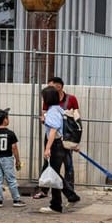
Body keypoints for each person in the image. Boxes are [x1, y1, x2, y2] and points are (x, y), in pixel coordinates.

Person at [38, 85, 79, 214]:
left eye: (43, 98)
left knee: (53, 175)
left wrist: (47, 148)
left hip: (55, 145)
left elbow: (54, 130)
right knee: (53, 173)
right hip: (59, 144)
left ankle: (57, 204)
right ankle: (69, 197)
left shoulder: (52, 111)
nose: (42, 100)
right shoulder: (59, 109)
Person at [0, 108, 25, 208]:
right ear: (5, 120)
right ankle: (16, 199)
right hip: (7, 158)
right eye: (8, 118)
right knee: (11, 179)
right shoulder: (11, 134)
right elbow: (14, 148)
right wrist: (18, 161)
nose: (8, 119)